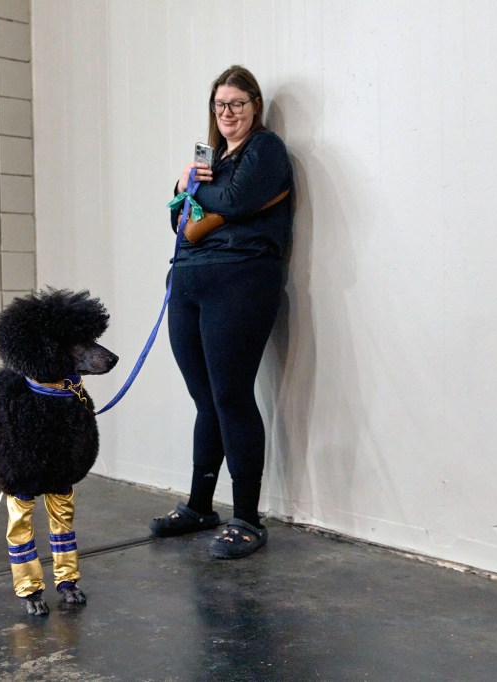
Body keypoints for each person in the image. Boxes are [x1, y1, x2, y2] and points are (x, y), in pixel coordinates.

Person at [150, 65, 293, 559]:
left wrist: (193, 187)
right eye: (219, 105)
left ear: (255, 106)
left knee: (231, 395)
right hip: (189, 280)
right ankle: (199, 505)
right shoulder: (208, 158)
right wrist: (185, 185)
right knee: (205, 398)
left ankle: (248, 518)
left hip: (241, 280)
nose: (227, 113)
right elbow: (179, 219)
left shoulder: (266, 150)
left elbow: (236, 200)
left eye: (236, 104)